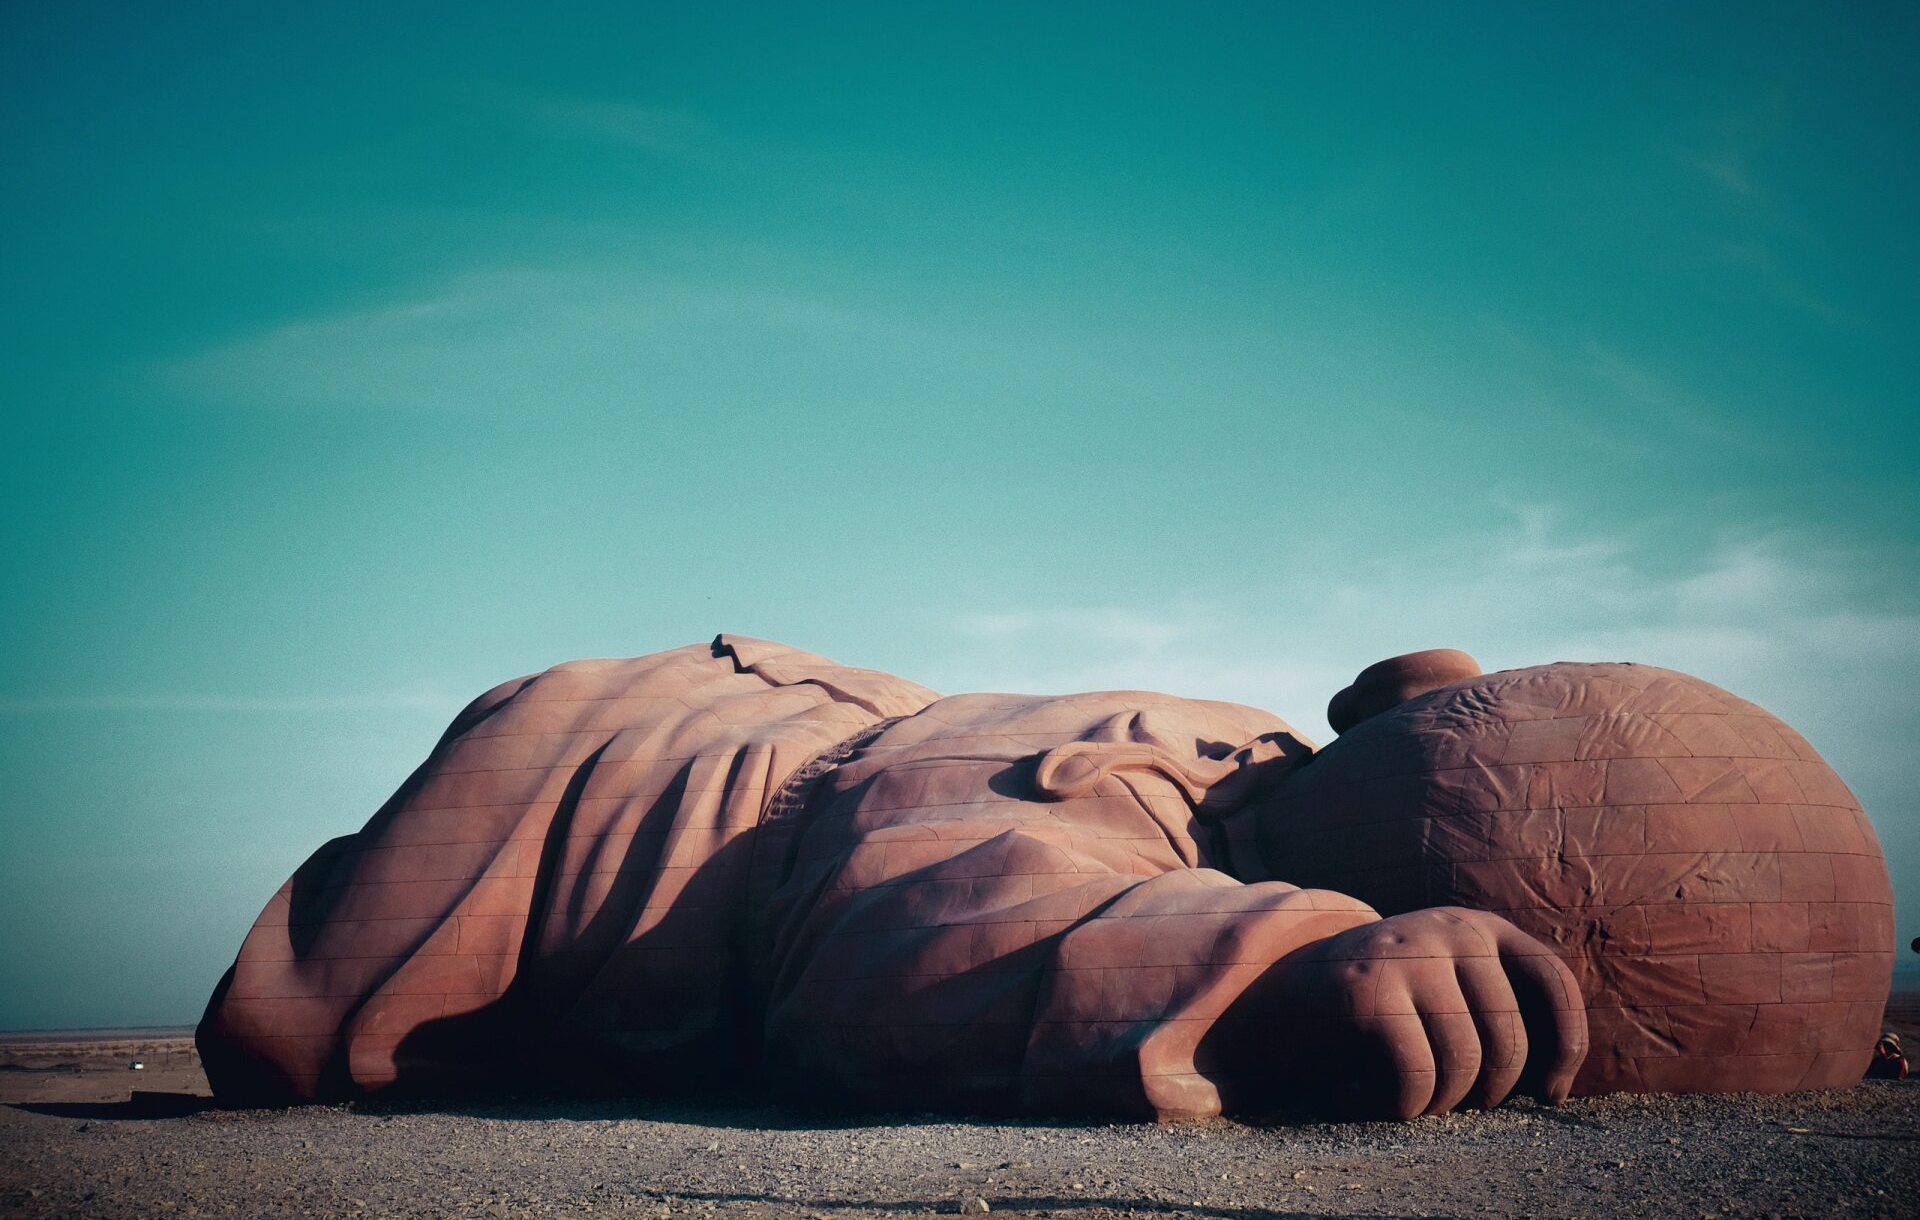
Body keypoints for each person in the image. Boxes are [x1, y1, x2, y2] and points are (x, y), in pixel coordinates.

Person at [199, 634, 1890, 1117]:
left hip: (660, 823)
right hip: (660, 742)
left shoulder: (1136, 863)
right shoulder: (1256, 770)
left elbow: (950, 924)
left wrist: (1272, 970)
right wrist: (1423, 713)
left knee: (310, 1020)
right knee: (296, 1020)